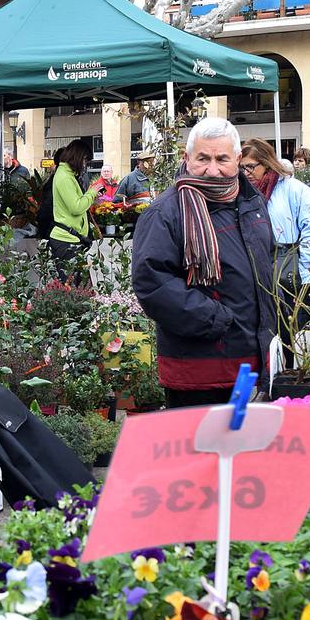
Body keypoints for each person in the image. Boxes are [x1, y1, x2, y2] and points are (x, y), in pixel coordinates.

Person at [131, 117, 276, 408]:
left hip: (255, 361)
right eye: (203, 158)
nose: (212, 169)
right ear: (187, 158)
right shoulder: (165, 212)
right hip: (198, 371)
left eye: (222, 159)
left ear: (237, 159)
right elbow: (152, 282)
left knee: (247, 451)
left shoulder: (253, 203)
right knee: (202, 452)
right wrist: (216, 319)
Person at [241, 139, 310, 345]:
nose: (246, 172)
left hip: (289, 270)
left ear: (266, 163)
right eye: (241, 167)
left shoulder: (294, 189)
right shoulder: (243, 193)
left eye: (251, 166)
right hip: (255, 268)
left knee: (292, 332)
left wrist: (304, 269)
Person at [48, 139, 99, 267]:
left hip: (70, 238)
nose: (85, 164)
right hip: (66, 240)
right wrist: (91, 193)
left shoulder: (67, 175)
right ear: (78, 157)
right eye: (85, 160)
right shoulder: (65, 177)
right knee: (72, 284)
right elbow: (76, 208)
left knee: (74, 285)